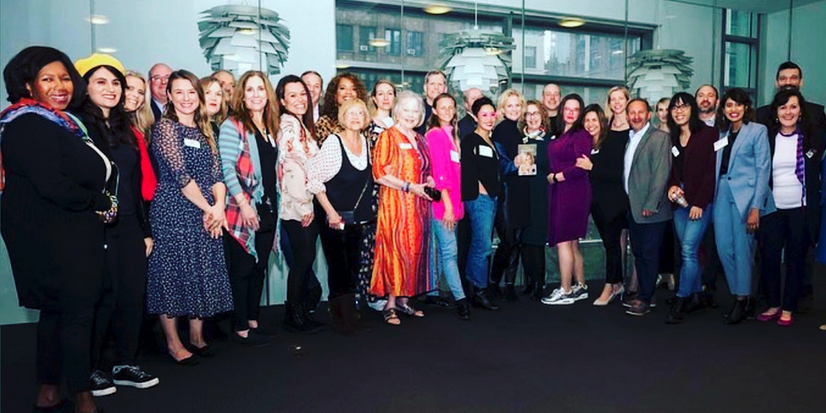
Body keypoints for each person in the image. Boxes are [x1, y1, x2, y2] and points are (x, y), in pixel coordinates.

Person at [1, 45, 115, 413]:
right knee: (79, 312)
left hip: (64, 229)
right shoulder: (28, 123)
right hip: (58, 233)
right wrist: (98, 202)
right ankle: (82, 397)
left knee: (55, 312)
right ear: (27, 84)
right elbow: (53, 184)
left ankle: (48, 390)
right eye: (47, 78)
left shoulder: (59, 121)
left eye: (65, 77)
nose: (60, 85)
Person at [72, 53, 159, 397]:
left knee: (131, 294)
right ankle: (91, 368)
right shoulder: (76, 125)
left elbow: (136, 184)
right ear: (86, 86)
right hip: (93, 226)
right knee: (101, 297)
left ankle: (125, 363)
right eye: (101, 81)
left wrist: (145, 228)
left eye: (115, 82)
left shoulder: (125, 128)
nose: (111, 89)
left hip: (129, 224)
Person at [146, 70, 234, 364]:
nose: (186, 98)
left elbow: (217, 175)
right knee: (171, 273)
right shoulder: (165, 129)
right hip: (174, 210)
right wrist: (211, 209)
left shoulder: (205, 130)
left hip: (207, 211)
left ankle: (197, 336)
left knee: (202, 269)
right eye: (179, 92)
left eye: (191, 92)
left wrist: (219, 205)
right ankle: (174, 343)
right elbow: (181, 176)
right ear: (169, 96)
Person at [218, 70, 280, 345]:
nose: (256, 94)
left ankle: (253, 319)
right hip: (243, 206)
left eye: (261, 89)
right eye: (250, 89)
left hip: (268, 205)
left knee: (260, 266)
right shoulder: (233, 125)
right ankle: (240, 326)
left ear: (267, 94)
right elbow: (227, 167)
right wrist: (244, 204)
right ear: (242, 95)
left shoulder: (270, 126)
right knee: (243, 267)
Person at [308, 98, 376, 333]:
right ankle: (342, 318)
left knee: (353, 267)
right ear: (342, 117)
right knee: (339, 267)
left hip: (356, 217)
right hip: (334, 217)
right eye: (350, 113)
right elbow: (315, 180)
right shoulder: (333, 143)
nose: (356, 117)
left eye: (360, 113)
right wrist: (331, 213)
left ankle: (348, 313)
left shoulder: (366, 143)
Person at [757, 88, 822, 326]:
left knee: (796, 259)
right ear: (775, 112)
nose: (788, 112)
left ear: (800, 111)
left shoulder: (810, 138)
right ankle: (773, 303)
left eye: (793, 107)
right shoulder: (766, 137)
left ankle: (788, 307)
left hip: (800, 209)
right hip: (772, 209)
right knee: (770, 259)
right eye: (783, 107)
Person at [371, 90, 435, 325]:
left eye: (415, 111)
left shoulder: (420, 139)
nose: (411, 114)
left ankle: (404, 299)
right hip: (396, 204)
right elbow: (379, 173)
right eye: (406, 109)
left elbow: (427, 170)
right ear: (397, 111)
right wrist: (409, 186)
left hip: (418, 206)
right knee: (395, 250)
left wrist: (429, 182)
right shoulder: (388, 136)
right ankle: (389, 304)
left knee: (414, 251)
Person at [713, 88, 774, 324]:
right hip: (721, 193)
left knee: (743, 249)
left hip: (746, 197)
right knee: (723, 248)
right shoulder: (722, 132)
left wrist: (756, 207)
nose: (733, 110)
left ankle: (743, 299)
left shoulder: (758, 131)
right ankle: (740, 294)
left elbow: (763, 170)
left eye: (738, 105)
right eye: (729, 105)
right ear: (724, 109)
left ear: (746, 107)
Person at [663, 92, 717, 324]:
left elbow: (710, 172)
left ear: (692, 109)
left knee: (687, 249)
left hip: (699, 203)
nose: (679, 111)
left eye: (684, 106)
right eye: (675, 108)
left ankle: (682, 298)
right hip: (679, 202)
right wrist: (671, 186)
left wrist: (700, 203)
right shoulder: (673, 138)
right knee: (690, 252)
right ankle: (695, 295)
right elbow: (672, 171)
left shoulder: (707, 134)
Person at [275, 74, 324, 332]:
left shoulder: (300, 125)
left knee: (304, 261)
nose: (300, 99)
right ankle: (295, 314)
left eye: (302, 94)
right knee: (303, 260)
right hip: (297, 206)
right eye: (292, 95)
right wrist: (305, 205)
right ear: (282, 101)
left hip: (303, 203)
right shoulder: (289, 125)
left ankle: (297, 311)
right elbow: (292, 167)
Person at [540, 94, 592, 305]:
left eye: (576, 109)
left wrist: (558, 176)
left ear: (580, 113)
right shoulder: (561, 134)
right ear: (562, 110)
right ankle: (580, 286)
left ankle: (566, 290)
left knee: (564, 241)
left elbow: (582, 165)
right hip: (563, 191)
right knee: (571, 243)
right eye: (567, 108)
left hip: (573, 191)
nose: (571, 112)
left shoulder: (580, 135)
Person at [623, 98, 672, 316]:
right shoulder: (631, 138)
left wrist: (651, 204)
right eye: (631, 113)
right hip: (634, 207)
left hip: (650, 209)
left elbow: (661, 174)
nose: (635, 116)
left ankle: (644, 298)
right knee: (640, 253)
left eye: (640, 112)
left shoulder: (659, 138)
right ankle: (646, 294)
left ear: (648, 114)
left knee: (649, 254)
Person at [576, 104, 628, 305]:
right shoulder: (585, 143)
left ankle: (611, 285)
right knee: (610, 244)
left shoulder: (612, 141)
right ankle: (618, 283)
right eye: (587, 121)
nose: (590, 124)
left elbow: (618, 174)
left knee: (612, 245)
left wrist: (592, 167)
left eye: (594, 120)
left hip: (613, 202)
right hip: (595, 202)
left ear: (602, 122)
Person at [425, 92, 470, 319]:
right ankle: (461, 300)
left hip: (455, 201)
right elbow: (440, 173)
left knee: (445, 252)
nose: (447, 111)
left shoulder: (452, 134)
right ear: (434, 110)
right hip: (444, 204)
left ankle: (436, 293)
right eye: (442, 107)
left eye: (451, 107)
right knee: (450, 252)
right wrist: (448, 206)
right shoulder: (435, 135)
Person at [461, 97, 501, 311]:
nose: (489, 118)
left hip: (491, 199)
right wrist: (482, 192)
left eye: (491, 114)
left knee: (481, 244)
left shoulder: (491, 142)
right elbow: (468, 171)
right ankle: (478, 290)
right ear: (476, 117)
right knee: (483, 246)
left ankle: (473, 287)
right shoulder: (470, 140)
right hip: (479, 200)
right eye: (484, 115)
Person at [490, 89, 527, 301]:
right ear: (502, 109)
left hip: (520, 191)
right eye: (509, 106)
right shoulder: (501, 130)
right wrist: (513, 165)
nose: (514, 109)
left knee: (517, 240)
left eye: (517, 105)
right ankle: (494, 282)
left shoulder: (519, 130)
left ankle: (510, 284)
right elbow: (500, 165)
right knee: (508, 240)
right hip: (507, 193)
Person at [517, 100, 552, 300]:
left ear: (542, 116)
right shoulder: (519, 140)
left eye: (536, 113)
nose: (532, 117)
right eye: (528, 114)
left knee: (537, 241)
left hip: (540, 195)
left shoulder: (548, 141)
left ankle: (539, 283)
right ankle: (529, 282)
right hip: (522, 195)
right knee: (525, 242)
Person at [124, 70, 157, 203]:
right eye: (129, 89)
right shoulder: (109, 125)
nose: (135, 95)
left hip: (140, 201)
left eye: (140, 92)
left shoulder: (141, 128)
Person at [315, 72, 368, 146]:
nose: (348, 92)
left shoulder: (364, 122)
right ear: (335, 94)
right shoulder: (325, 122)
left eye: (353, 89)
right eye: (343, 88)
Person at [415, 70, 447, 136]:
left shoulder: (451, 111)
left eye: (440, 84)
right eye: (432, 84)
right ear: (425, 88)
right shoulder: (416, 108)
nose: (436, 88)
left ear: (445, 89)